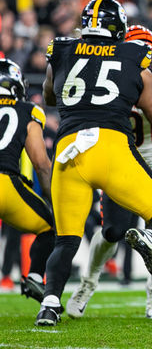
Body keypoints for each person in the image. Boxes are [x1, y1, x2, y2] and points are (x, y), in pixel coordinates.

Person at [35, 0, 152, 326]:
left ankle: (48, 305)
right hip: (112, 149)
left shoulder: (61, 48)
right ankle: (150, 240)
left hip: (69, 150)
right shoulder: (134, 56)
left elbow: (49, 95)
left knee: (66, 241)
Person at [0, 58, 55, 303]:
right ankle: (34, 275)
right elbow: (41, 163)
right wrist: (52, 196)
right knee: (48, 227)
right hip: (5, 185)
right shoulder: (27, 110)